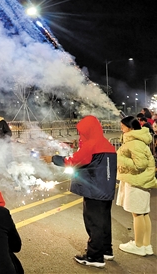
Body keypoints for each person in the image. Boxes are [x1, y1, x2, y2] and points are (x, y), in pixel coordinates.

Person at [43, 115, 117, 268]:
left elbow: (74, 160)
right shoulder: (106, 144)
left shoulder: (91, 145)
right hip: (106, 189)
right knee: (104, 220)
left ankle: (94, 256)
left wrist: (53, 159)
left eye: (81, 132)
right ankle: (106, 250)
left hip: (94, 190)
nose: (80, 135)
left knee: (93, 222)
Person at [116, 116, 157, 257]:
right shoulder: (139, 140)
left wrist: (119, 158)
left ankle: (138, 245)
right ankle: (146, 245)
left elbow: (140, 165)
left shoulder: (134, 142)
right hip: (142, 181)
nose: (121, 129)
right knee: (144, 213)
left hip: (136, 182)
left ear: (130, 128)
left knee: (138, 214)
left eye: (123, 126)